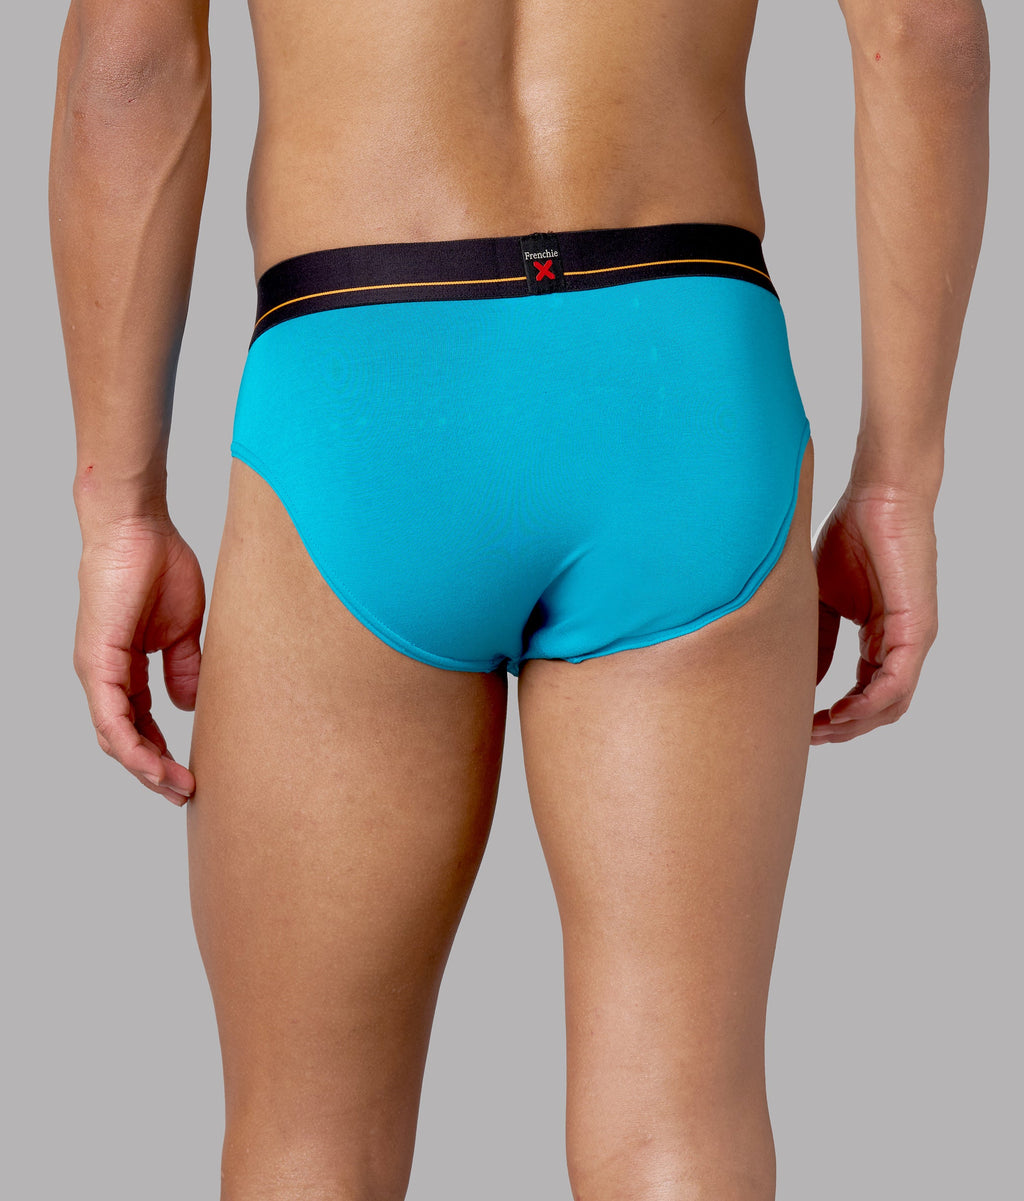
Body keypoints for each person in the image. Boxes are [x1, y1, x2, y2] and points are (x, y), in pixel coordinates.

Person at [49, 0, 989, 1196]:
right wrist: (898, 483)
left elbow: (128, 58)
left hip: (366, 371)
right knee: (677, 1129)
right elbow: (924, 32)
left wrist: (121, 511)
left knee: (308, 1142)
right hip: (680, 368)